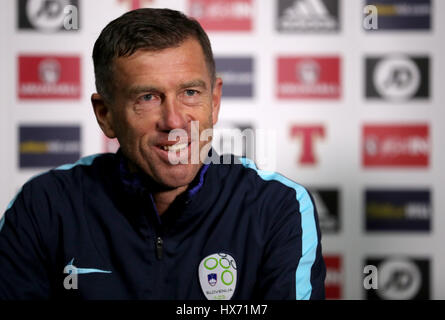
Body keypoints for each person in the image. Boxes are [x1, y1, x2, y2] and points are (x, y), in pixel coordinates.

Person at [0, 8, 325, 300]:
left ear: (214, 101)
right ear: (105, 114)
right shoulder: (43, 206)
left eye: (190, 93)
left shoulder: (278, 206)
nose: (173, 121)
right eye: (147, 97)